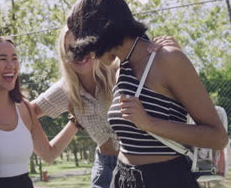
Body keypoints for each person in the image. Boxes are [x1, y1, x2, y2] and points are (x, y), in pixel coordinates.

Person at [67, 0, 228, 188]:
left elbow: (218, 137)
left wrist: (150, 123)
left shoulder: (167, 59)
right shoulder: (119, 69)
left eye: (88, 44)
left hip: (165, 179)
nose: (91, 54)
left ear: (101, 31)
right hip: (123, 178)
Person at [31, 26, 178, 188]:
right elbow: (28, 112)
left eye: (82, 45)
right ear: (64, 55)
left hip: (139, 162)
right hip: (105, 168)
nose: (79, 53)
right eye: (71, 48)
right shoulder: (65, 90)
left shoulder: (117, 69)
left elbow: (150, 63)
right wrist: (73, 124)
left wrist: (164, 48)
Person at [0, 36, 78, 188]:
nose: (11, 65)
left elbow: (48, 154)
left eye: (15, 58)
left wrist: (75, 122)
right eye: (3, 59)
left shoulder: (25, 109)